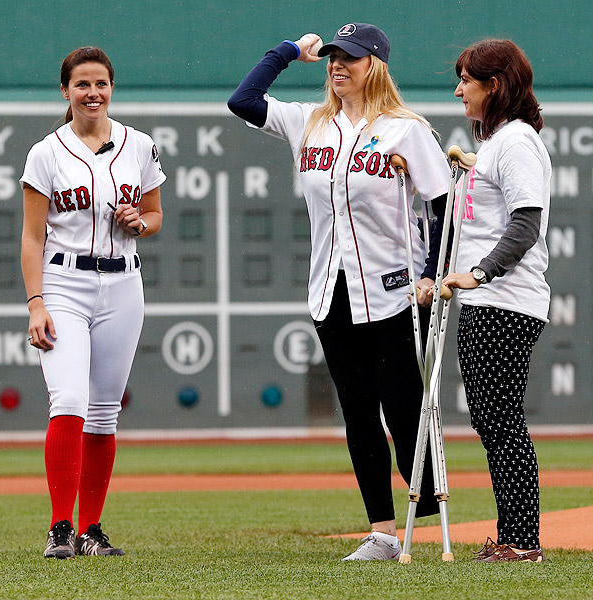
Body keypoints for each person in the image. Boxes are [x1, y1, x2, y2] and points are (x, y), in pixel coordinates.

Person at [228, 23, 451, 561]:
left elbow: (441, 207)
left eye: (349, 57)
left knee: (403, 407)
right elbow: (243, 100)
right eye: (332, 57)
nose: (337, 65)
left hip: (394, 289)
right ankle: (380, 531)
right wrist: (288, 52)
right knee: (357, 410)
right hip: (332, 290)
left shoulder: (406, 130)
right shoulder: (310, 122)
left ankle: (430, 514)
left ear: (374, 64)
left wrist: (431, 274)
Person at [20, 46, 166, 559]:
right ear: (66, 91)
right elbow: (32, 236)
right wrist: (37, 303)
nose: (92, 92)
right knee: (70, 402)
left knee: (104, 413)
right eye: (82, 84)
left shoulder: (139, 144)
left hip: (124, 284)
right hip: (65, 283)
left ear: (111, 88)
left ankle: (91, 529)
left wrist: (139, 223)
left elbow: (154, 215)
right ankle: (61, 526)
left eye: (100, 83)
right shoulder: (47, 151)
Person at [442, 39, 551, 562]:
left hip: (505, 298)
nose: (459, 89)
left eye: (468, 79)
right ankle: (512, 537)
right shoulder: (500, 143)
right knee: (491, 419)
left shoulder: (517, 142)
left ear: (496, 85)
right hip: (493, 300)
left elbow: (526, 222)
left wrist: (480, 273)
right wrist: (467, 159)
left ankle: (522, 542)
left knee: (500, 419)